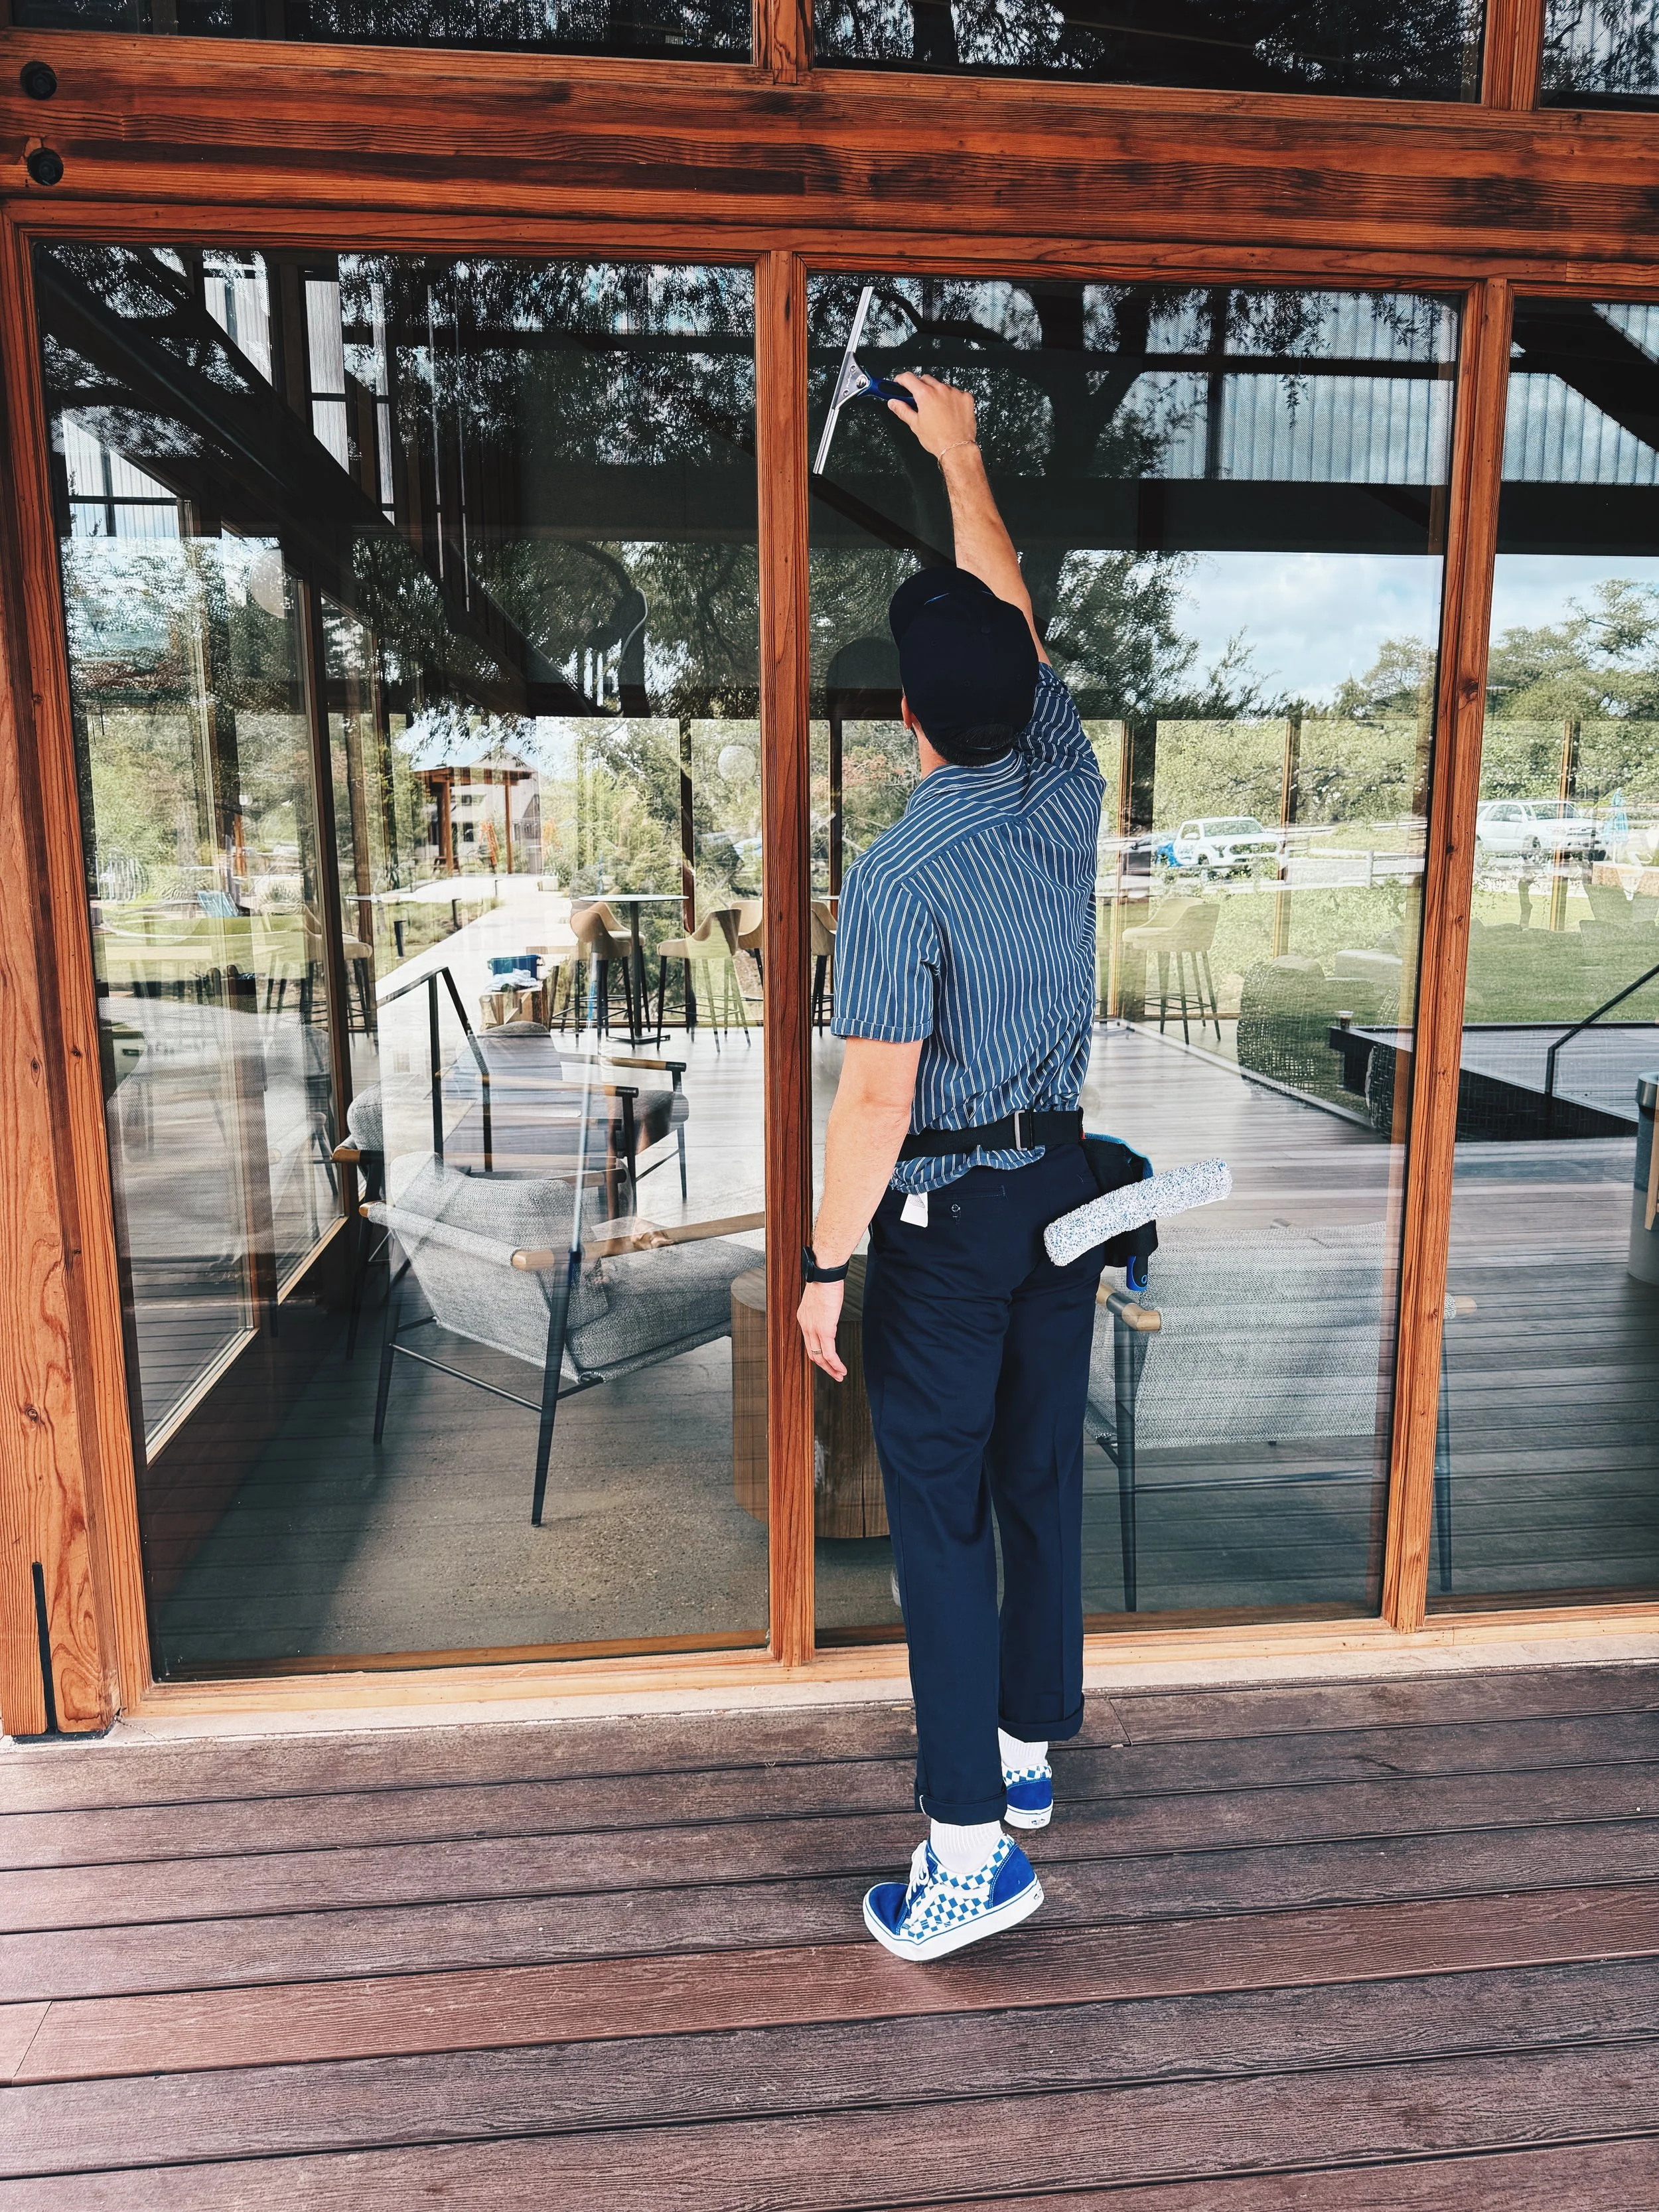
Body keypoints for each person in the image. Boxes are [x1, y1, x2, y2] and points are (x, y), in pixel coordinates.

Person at [797, 370, 1109, 1962]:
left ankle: (967, 1853)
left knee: (934, 1514)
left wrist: (821, 1265)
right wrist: (964, 456)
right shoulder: (1066, 775)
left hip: (943, 1216)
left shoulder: (902, 866)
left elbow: (871, 1102)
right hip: (1061, 1188)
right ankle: (1025, 1752)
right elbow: (1016, 618)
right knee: (1035, 1467)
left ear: (905, 717)